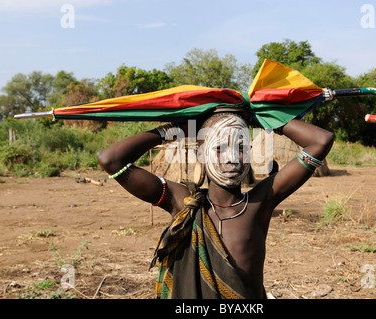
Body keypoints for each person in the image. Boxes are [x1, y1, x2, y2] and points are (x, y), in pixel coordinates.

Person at [96, 111, 334, 299]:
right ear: (201, 154)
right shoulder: (182, 202)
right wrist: (174, 130)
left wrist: (267, 118)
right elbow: (110, 159)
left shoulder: (260, 202)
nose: (231, 157)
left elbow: (321, 141)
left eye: (241, 147)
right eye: (219, 147)